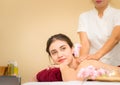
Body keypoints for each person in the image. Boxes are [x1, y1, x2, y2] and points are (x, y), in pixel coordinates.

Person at [36, 33, 120, 82]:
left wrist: (62, 66)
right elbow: (35, 78)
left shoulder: (85, 64)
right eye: (54, 52)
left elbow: (72, 82)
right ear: (51, 56)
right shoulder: (56, 71)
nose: (59, 55)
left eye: (63, 48)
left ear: (72, 49)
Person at [77, 0, 120, 66]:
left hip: (116, 63)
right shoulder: (84, 16)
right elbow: (85, 43)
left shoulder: (118, 14)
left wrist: (97, 55)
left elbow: (115, 38)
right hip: (94, 64)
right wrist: (82, 61)